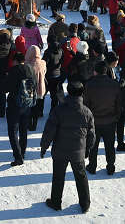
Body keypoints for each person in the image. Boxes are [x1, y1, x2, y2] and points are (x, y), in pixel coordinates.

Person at [40, 81, 95, 214]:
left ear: (68, 92)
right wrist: (87, 149)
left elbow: (49, 131)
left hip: (60, 151)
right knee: (81, 178)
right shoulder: (87, 112)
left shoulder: (59, 110)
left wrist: (44, 146)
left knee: (58, 177)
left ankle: (56, 202)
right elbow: (91, 134)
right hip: (78, 152)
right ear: (82, 93)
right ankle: (85, 204)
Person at [83, 61, 120, 175]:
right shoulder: (114, 84)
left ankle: (92, 166)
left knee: (93, 145)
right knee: (110, 146)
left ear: (95, 71)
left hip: (94, 121)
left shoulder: (89, 85)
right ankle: (111, 166)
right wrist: (116, 117)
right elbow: (118, 103)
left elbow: (86, 104)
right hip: (110, 120)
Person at [5, 51, 34, 166]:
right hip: (27, 103)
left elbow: (7, 87)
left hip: (15, 104)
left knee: (13, 131)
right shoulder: (30, 69)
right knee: (23, 130)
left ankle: (18, 156)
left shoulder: (13, 71)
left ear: (15, 61)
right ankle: (22, 151)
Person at [25, 44, 47, 131]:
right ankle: (34, 124)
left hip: (30, 89)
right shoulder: (43, 63)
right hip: (40, 88)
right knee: (36, 108)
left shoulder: (27, 64)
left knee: (30, 107)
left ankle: (29, 124)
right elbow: (44, 72)